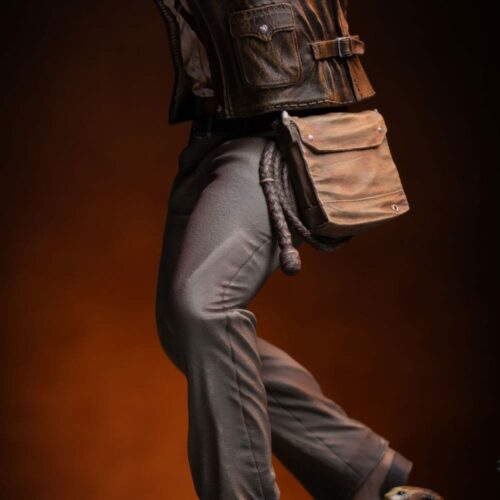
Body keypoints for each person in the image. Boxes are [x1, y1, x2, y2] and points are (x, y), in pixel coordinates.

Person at [153, 1, 443, 499]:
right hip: (212, 134)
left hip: (276, 131)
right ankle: (359, 469)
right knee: (182, 329)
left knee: (204, 306)